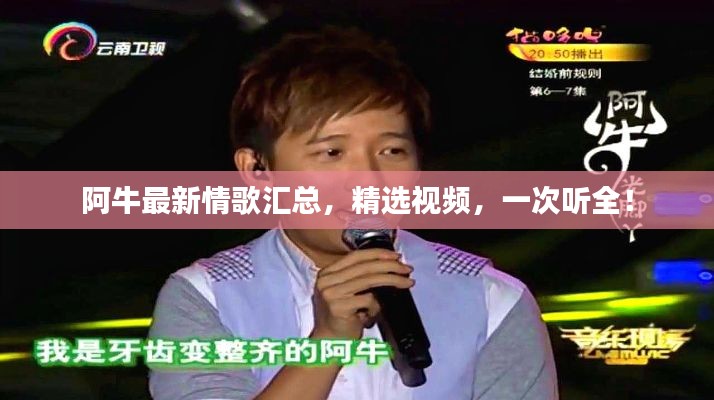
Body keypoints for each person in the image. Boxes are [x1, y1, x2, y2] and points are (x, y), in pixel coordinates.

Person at [147, 26, 558, 400]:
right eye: (332, 152)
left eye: (392, 151)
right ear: (257, 169)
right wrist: (328, 342)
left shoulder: (491, 299)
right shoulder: (206, 296)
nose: (369, 180)